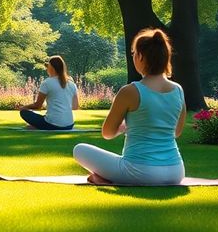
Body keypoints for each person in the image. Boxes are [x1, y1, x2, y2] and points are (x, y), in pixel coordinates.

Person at [73, 28, 186, 185]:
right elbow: (176, 132)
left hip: (141, 172)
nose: (133, 57)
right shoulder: (178, 90)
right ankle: (106, 179)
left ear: (140, 56)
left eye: (133, 54)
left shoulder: (130, 91)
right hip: (176, 172)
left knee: (79, 149)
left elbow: (107, 133)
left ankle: (105, 179)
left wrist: (125, 127)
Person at [19, 55, 79, 130]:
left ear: (51, 68)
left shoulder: (47, 83)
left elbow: (38, 105)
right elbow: (75, 107)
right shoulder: (72, 84)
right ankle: (39, 125)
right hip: (69, 125)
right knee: (44, 117)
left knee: (24, 112)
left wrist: (23, 107)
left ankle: (39, 126)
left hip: (52, 124)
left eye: (48, 67)